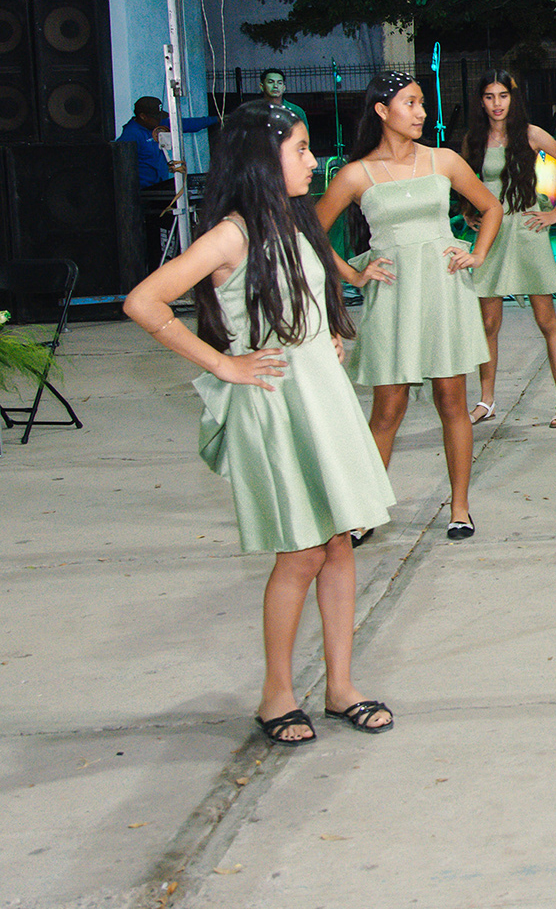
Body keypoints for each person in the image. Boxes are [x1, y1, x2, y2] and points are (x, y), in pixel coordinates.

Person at [122, 102, 397, 744]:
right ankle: (276, 695)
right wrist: (225, 364)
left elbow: (299, 297)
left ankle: (340, 686)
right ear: (261, 159)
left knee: (338, 544)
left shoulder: (294, 222)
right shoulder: (232, 234)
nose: (313, 160)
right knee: (300, 552)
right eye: (300, 149)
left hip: (321, 397)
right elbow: (143, 301)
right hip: (276, 407)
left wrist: (324, 335)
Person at [316, 73, 501, 541]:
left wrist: (477, 253)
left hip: (443, 289)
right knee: (388, 407)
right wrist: (353, 274)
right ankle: (365, 509)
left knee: (452, 400)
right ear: (382, 110)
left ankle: (460, 508)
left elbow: (491, 207)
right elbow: (311, 232)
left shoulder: (444, 160)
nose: (421, 112)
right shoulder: (355, 173)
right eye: (410, 103)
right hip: (393, 295)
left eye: (421, 103)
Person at [458, 71, 556, 429]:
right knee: (488, 324)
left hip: (527, 230)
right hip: (492, 233)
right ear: (481, 101)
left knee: (546, 321)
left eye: (502, 96)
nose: (497, 103)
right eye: (489, 97)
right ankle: (486, 401)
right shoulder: (474, 138)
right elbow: (466, 181)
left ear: (512, 98)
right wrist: (469, 211)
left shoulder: (530, 134)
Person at [119, 95, 220, 268]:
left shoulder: (156, 125)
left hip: (160, 190)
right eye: (155, 117)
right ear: (143, 116)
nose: (160, 120)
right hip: (144, 195)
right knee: (157, 238)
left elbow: (186, 124)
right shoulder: (131, 134)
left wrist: (216, 119)